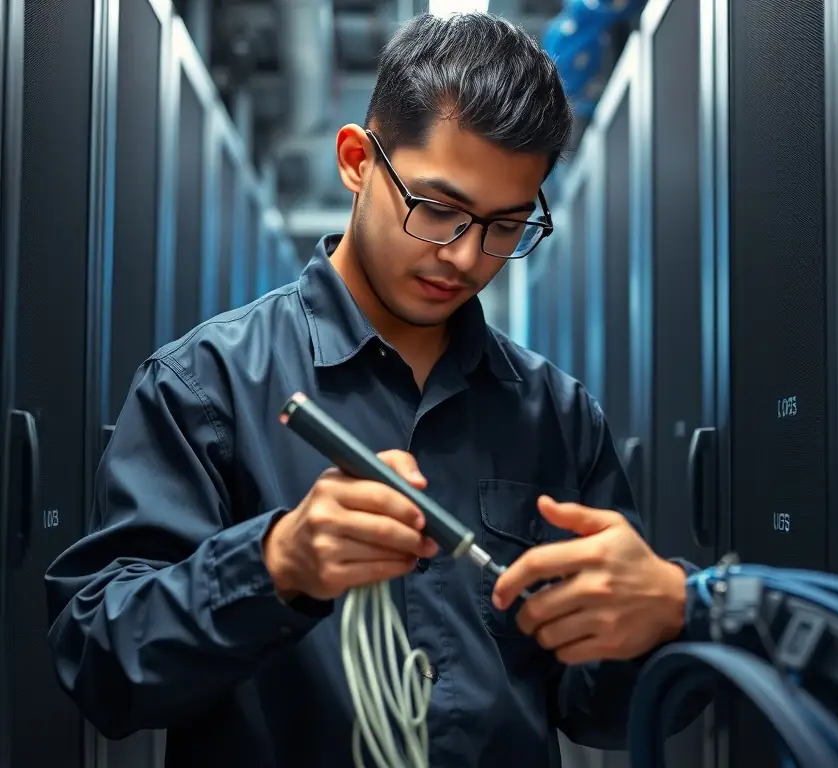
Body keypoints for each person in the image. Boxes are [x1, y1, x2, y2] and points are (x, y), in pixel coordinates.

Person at [45, 12, 698, 768]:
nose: (462, 256)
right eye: (438, 210)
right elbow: (99, 663)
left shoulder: (556, 413)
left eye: (505, 226)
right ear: (358, 160)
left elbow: (596, 712)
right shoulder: (206, 384)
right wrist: (274, 564)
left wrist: (649, 626)